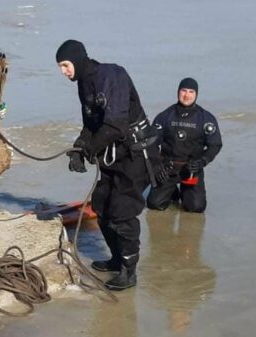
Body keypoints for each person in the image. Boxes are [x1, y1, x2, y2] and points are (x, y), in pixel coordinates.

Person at [56, 39, 159, 290]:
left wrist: (90, 148)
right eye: (60, 67)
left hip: (135, 155)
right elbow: (91, 124)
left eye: (66, 65)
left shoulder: (112, 75)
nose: (64, 71)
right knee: (102, 207)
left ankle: (129, 271)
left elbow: (115, 123)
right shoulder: (84, 84)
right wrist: (78, 149)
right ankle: (116, 259)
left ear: (78, 60)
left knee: (123, 213)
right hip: (113, 154)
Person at [147, 78, 222, 213]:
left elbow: (215, 145)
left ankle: (186, 193)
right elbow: (150, 143)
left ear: (196, 94)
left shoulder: (206, 118)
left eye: (191, 92)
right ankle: (172, 192)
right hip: (167, 168)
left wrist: (202, 161)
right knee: (155, 204)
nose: (187, 95)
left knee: (195, 208)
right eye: (184, 91)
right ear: (178, 92)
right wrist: (157, 166)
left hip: (192, 169)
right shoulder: (164, 116)